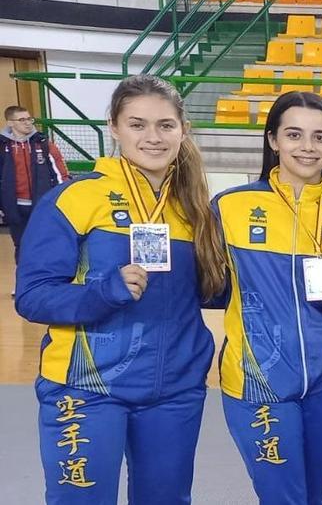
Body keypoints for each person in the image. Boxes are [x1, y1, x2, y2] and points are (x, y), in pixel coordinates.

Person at [15, 75, 227, 503]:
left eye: (166, 125)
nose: (153, 137)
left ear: (183, 130)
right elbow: (33, 295)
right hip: (88, 385)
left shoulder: (196, 207)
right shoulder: (74, 198)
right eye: (137, 124)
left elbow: (207, 293)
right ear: (113, 127)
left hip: (175, 389)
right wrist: (103, 291)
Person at [212, 90, 322, 503]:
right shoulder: (230, 207)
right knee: (282, 497)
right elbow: (207, 285)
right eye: (294, 135)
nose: (308, 147)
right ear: (273, 140)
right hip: (258, 378)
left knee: (314, 495)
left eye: (320, 137)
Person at [1, 105, 70, 266]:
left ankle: (47, 281)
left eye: (29, 119)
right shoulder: (2, 146)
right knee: (21, 245)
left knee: (45, 244)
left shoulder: (44, 143)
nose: (28, 123)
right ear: (10, 123)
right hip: (14, 207)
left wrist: (61, 199)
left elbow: (61, 174)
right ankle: (23, 282)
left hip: (42, 205)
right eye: (22, 119)